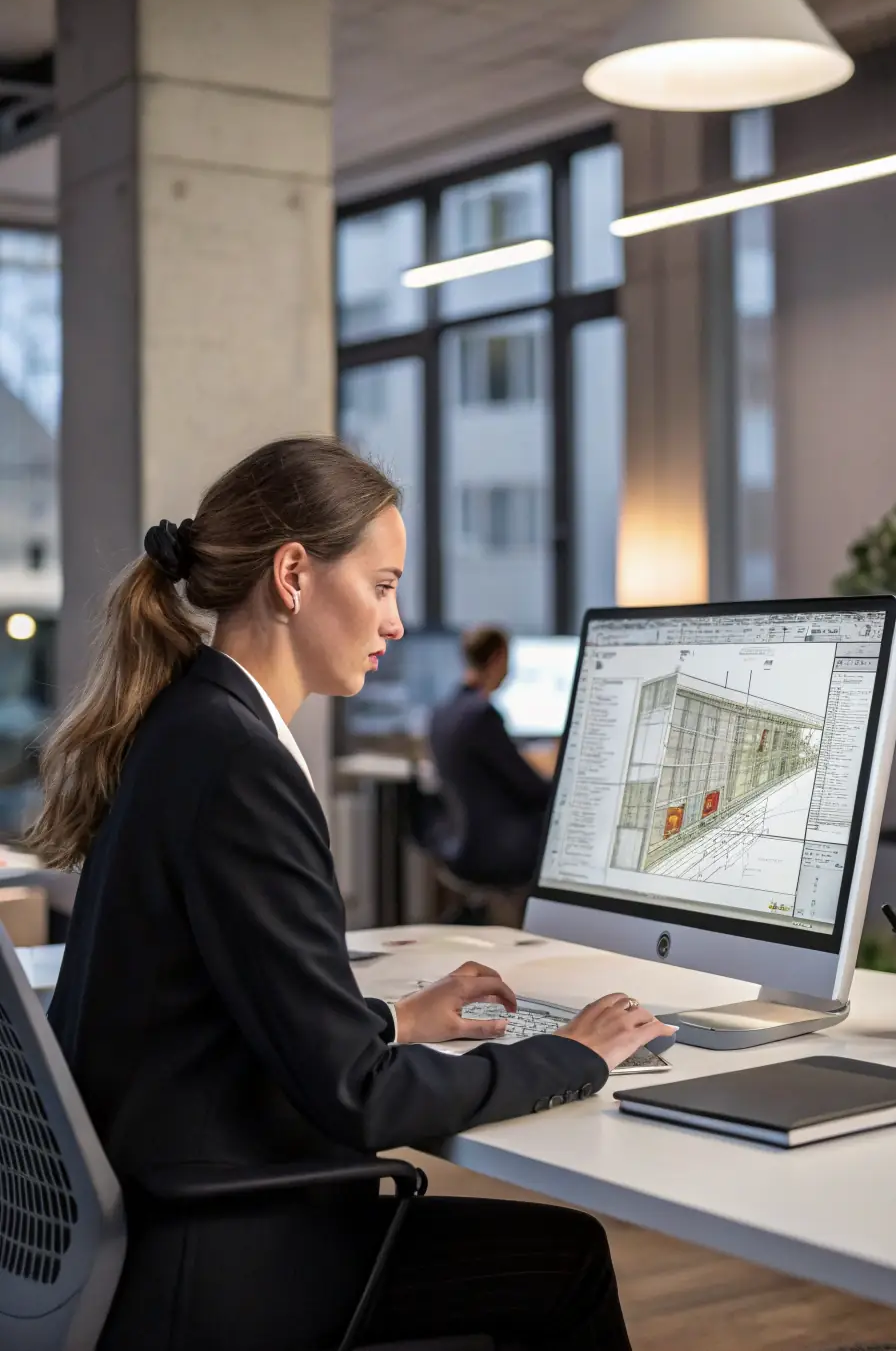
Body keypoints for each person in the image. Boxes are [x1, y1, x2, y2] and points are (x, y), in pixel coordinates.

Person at [33, 437, 668, 1351]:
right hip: (225, 1265)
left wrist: (396, 1019)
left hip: (163, 1228)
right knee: (565, 1261)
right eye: (382, 586)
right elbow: (359, 1097)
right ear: (293, 575)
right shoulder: (238, 763)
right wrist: (571, 1054)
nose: (397, 622)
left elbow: (225, 1006)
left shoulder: (191, 725)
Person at [429, 626, 551, 889]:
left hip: (456, 839)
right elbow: (532, 789)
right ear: (498, 658)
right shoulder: (481, 716)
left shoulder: (442, 712)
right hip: (492, 848)